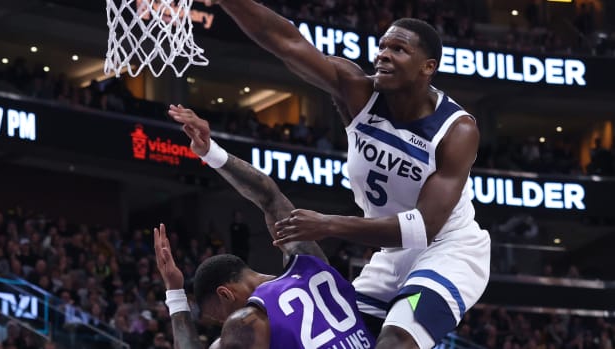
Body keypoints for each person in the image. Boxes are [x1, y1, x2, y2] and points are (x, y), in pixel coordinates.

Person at [200, 1, 491, 348]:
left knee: (395, 342)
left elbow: (421, 227)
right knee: (341, 338)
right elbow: (283, 39)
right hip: (390, 255)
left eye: (398, 49)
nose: (383, 54)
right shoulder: (357, 92)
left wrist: (328, 225)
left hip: (448, 250)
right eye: (382, 46)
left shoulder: (456, 130)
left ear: (428, 66)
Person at [157, 105, 375, 349]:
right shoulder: (312, 263)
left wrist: (175, 292)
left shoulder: (244, 323)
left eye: (220, 317)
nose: (223, 325)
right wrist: (211, 153)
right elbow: (270, 197)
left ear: (225, 294)